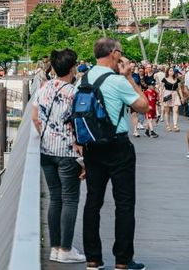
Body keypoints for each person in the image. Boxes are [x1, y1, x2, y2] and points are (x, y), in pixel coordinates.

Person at [82, 38, 149, 270]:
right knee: (124, 203)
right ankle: (122, 259)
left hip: (91, 147)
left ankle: (92, 257)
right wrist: (129, 77)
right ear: (113, 54)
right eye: (120, 53)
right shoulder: (118, 81)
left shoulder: (84, 78)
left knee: (93, 201)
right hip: (117, 146)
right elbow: (143, 106)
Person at [31, 48, 86, 264]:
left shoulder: (43, 88)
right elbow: (80, 123)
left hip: (47, 151)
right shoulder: (74, 93)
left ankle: (54, 247)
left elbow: (35, 118)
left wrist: (45, 135)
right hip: (68, 152)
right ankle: (65, 248)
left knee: (55, 198)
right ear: (72, 68)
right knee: (70, 199)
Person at [161, 67, 181, 132]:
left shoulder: (177, 80)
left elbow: (179, 89)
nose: (172, 72)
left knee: (176, 110)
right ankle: (168, 126)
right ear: (167, 72)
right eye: (170, 71)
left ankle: (175, 125)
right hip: (167, 94)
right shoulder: (164, 79)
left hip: (175, 94)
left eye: (173, 71)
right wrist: (160, 97)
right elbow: (161, 89)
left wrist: (182, 96)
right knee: (167, 111)